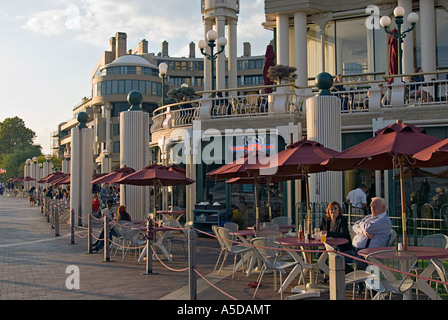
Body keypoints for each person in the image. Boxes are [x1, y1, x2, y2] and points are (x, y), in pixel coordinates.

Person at [348, 197, 392, 294]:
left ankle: (370, 286)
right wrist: (363, 231)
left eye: (375, 206)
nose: (372, 207)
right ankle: (361, 282)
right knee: (338, 257)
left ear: (383, 207)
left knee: (357, 262)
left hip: (371, 253)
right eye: (371, 205)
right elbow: (354, 226)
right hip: (355, 250)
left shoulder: (385, 221)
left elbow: (369, 227)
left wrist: (363, 226)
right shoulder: (368, 217)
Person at [319, 201, 353, 282]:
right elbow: (320, 230)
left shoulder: (342, 220)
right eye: (331, 208)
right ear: (328, 210)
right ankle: (325, 272)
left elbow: (343, 234)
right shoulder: (325, 220)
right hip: (327, 244)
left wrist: (328, 233)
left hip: (342, 246)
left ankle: (351, 273)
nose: (333, 211)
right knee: (319, 253)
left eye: (335, 209)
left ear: (339, 211)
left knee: (335, 254)